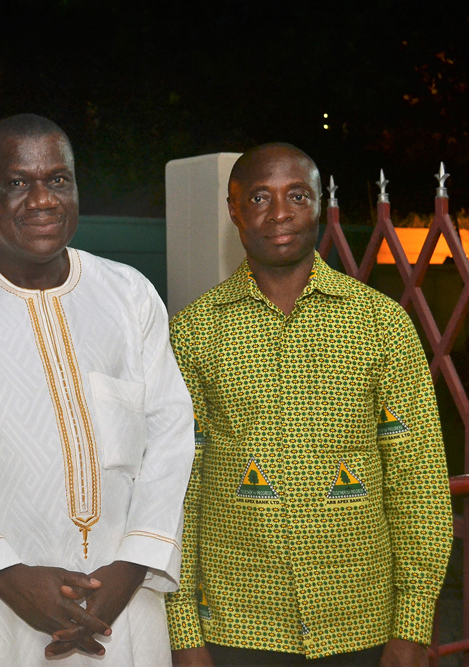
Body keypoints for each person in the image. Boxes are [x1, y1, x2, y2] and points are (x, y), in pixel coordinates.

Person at [0, 114, 195, 666]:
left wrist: (133, 564)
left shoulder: (129, 293)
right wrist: (4, 573)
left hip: (121, 608)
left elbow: (170, 435)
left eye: (59, 180)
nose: (42, 199)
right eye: (19, 182)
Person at [165, 143, 452, 667]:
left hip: (362, 624)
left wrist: (412, 625)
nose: (279, 214)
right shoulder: (195, 332)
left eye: (297, 195)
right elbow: (176, 490)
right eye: (258, 197)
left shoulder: (381, 326)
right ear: (234, 210)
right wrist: (184, 632)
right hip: (237, 626)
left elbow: (419, 483)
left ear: (320, 204)